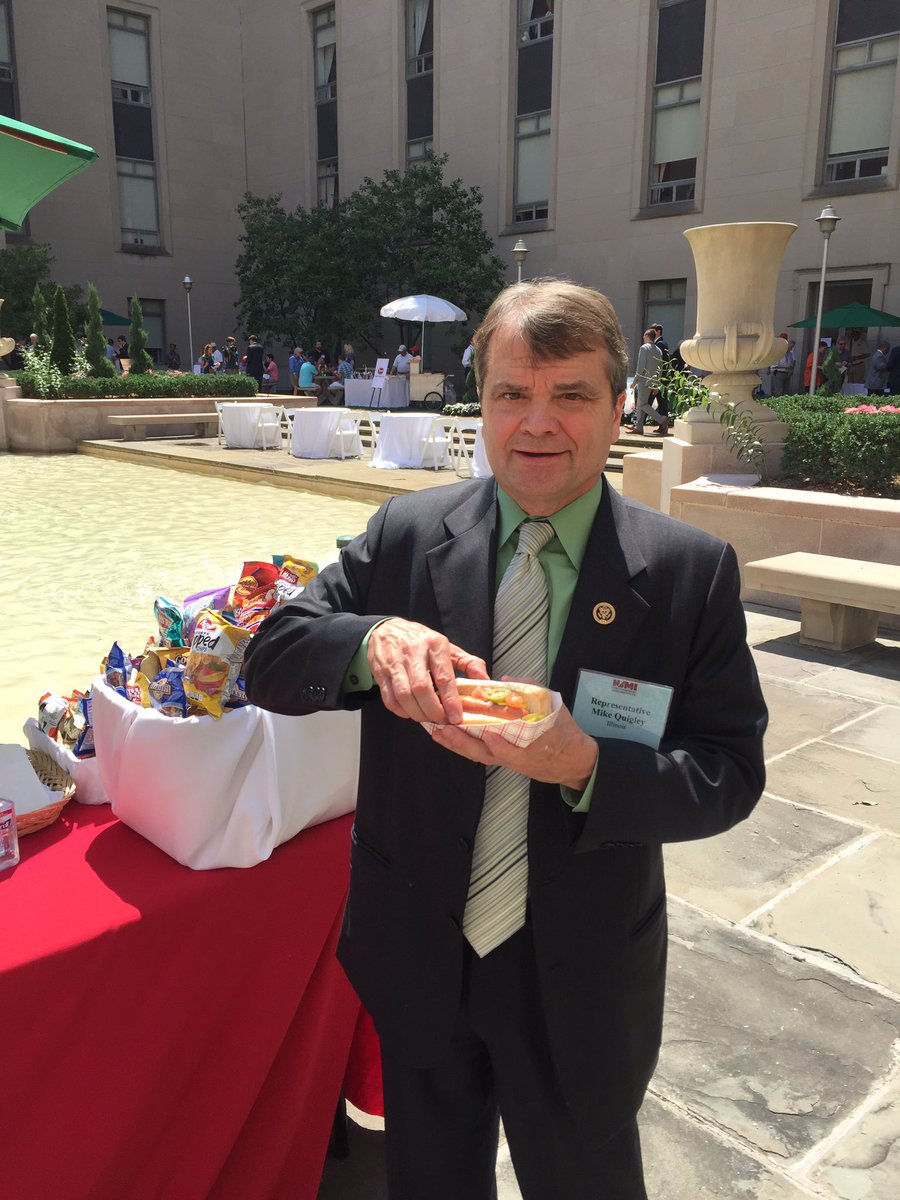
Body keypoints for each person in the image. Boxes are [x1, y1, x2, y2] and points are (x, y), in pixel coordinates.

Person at [244, 278, 767, 1200]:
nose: (537, 422)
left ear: (619, 407)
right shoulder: (407, 534)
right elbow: (271, 658)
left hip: (580, 974)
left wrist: (587, 765)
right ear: (479, 403)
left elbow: (728, 772)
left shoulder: (689, 573)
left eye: (571, 395)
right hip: (420, 954)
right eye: (511, 393)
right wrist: (372, 640)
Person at [630, 328, 665, 435]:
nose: (643, 338)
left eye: (644, 336)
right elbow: (660, 369)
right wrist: (656, 384)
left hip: (643, 380)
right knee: (641, 404)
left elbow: (640, 367)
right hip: (652, 381)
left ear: (646, 336)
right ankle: (639, 427)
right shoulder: (658, 350)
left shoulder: (644, 348)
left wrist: (634, 381)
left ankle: (661, 419)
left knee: (642, 404)